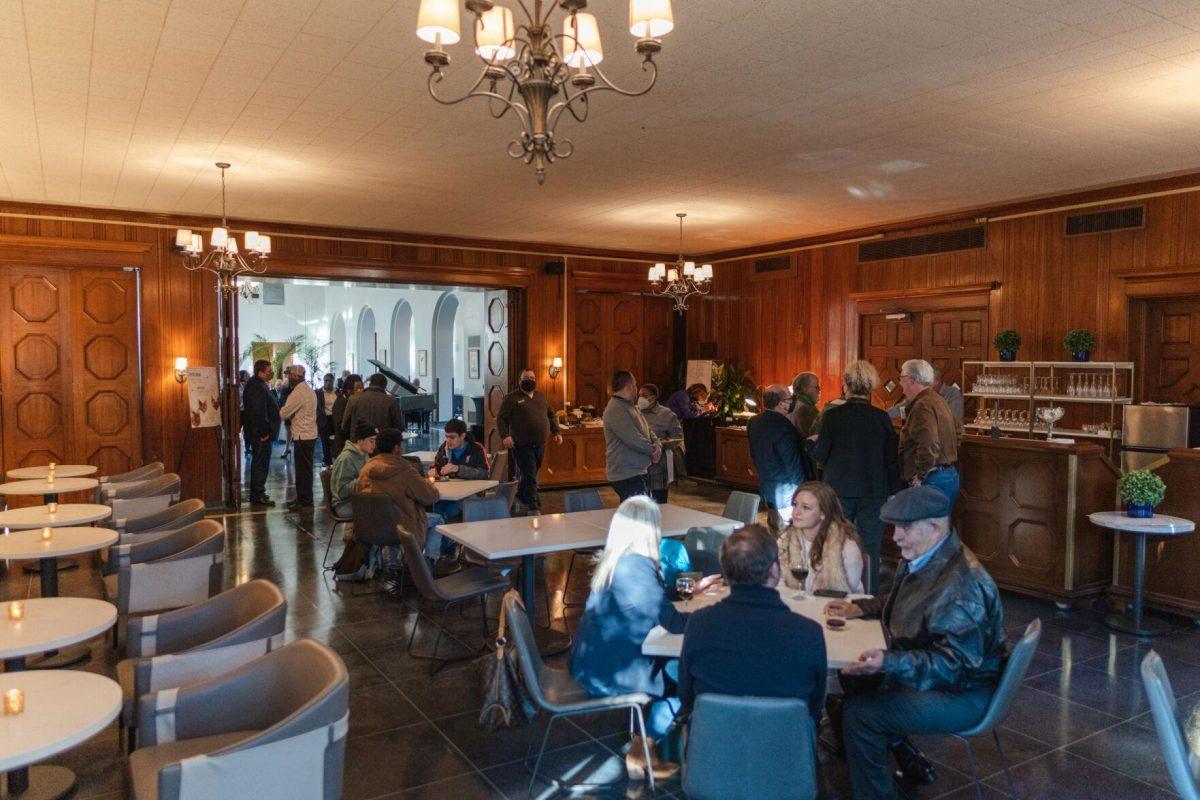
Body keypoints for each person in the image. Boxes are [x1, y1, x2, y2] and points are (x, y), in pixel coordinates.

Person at [827, 485, 1005, 799]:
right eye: (895, 527)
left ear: (935, 527)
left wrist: (889, 662)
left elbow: (954, 666)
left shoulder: (961, 586)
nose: (895, 537)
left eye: (905, 528)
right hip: (948, 680)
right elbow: (909, 602)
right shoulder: (926, 556)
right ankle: (906, 760)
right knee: (852, 678)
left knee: (859, 715)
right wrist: (863, 607)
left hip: (963, 694)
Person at [570, 497, 690, 782]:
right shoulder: (638, 568)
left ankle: (641, 743)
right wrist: (719, 615)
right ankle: (643, 751)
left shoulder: (617, 560)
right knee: (683, 685)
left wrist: (682, 590)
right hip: (610, 673)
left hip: (592, 661)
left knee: (668, 668)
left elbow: (649, 600)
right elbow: (673, 622)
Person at [679, 525, 827, 724]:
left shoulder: (699, 624)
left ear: (727, 573)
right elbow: (815, 707)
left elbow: (686, 696)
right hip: (786, 749)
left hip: (713, 747)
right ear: (775, 571)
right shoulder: (809, 633)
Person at [809, 360, 900, 593]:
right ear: (870, 387)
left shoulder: (833, 416)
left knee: (836, 542)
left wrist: (810, 445)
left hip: (839, 489)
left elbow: (821, 454)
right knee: (871, 546)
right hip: (873, 490)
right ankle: (869, 596)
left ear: (846, 384)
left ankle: (835, 591)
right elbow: (891, 460)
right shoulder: (881, 418)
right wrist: (894, 491)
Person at [356, 427, 446, 560]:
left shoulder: (366, 469)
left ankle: (393, 565)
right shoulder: (404, 471)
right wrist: (428, 484)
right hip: (401, 527)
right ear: (396, 448)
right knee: (437, 519)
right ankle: (428, 564)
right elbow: (430, 497)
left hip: (372, 526)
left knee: (394, 514)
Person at [778, 482, 865, 595]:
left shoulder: (846, 548)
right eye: (795, 504)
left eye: (806, 507)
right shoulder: (784, 540)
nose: (796, 512)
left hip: (836, 607)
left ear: (823, 513)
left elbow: (847, 593)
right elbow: (776, 581)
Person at [496, 368, 562, 514]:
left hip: (540, 443)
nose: (530, 380)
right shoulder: (512, 398)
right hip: (521, 444)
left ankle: (520, 495)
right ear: (520, 381)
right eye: (526, 378)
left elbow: (551, 415)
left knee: (531, 473)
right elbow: (501, 419)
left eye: (532, 378)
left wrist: (556, 431)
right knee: (530, 473)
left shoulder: (541, 397)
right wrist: (505, 435)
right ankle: (533, 506)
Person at [899, 359, 962, 507]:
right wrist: (945, 455)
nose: (900, 384)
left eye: (901, 378)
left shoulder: (922, 405)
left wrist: (921, 475)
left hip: (931, 479)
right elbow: (958, 431)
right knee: (937, 527)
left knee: (924, 528)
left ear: (911, 380)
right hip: (946, 475)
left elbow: (929, 443)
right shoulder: (937, 399)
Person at [747, 384, 807, 534]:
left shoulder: (754, 422)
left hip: (767, 486)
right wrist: (804, 490)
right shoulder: (784, 427)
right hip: (787, 490)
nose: (792, 401)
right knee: (789, 536)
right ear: (781, 404)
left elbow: (754, 454)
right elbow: (792, 463)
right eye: (790, 398)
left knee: (774, 530)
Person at [603, 371, 661, 501]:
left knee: (640, 515)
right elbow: (632, 438)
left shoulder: (631, 407)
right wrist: (653, 451)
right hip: (626, 474)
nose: (636, 388)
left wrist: (657, 444)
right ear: (628, 387)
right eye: (635, 385)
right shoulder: (615, 409)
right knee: (637, 516)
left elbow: (648, 430)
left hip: (638, 471)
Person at [430, 418, 490, 519]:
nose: (448, 441)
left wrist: (458, 469)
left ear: (462, 436)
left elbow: (484, 474)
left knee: (450, 511)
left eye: (452, 437)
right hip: (449, 493)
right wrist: (433, 470)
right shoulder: (443, 448)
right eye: (446, 437)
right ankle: (442, 531)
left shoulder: (476, 449)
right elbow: (436, 466)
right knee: (435, 508)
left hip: (470, 494)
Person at [241, 359, 279, 508]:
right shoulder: (256, 386)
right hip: (260, 434)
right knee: (260, 464)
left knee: (262, 463)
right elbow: (258, 412)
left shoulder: (259, 384)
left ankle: (259, 492)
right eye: (269, 371)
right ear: (260, 372)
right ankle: (257, 495)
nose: (271, 373)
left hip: (261, 433)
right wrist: (264, 432)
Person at [279, 365, 318, 511]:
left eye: (289, 375)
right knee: (305, 471)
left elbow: (284, 413)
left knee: (303, 472)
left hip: (303, 436)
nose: (288, 378)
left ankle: (305, 501)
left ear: (295, 376)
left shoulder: (298, 393)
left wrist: (285, 412)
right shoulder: (308, 390)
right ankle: (302, 498)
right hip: (309, 435)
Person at [637, 383, 683, 504]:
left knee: (658, 503)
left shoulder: (667, 414)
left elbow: (678, 438)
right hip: (638, 467)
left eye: (644, 395)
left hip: (658, 468)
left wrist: (659, 445)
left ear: (652, 398)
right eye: (639, 395)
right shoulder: (635, 413)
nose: (640, 398)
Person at [330, 422, 376, 518]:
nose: (374, 445)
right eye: (371, 441)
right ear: (360, 441)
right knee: (382, 509)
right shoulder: (346, 459)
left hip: (360, 498)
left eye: (375, 441)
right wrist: (365, 479)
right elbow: (340, 492)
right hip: (344, 504)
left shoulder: (364, 453)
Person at [341, 373, 401, 443]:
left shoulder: (353, 399)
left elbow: (344, 426)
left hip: (359, 445)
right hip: (383, 445)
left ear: (370, 383)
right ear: (385, 386)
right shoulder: (391, 401)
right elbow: (399, 427)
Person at [331, 374, 362, 459]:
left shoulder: (351, 401)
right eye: (358, 389)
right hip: (343, 448)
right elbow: (340, 427)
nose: (360, 391)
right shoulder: (341, 402)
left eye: (362, 388)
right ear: (349, 390)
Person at [789, 371, 821, 437]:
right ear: (805, 389)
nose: (819, 390)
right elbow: (816, 435)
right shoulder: (804, 409)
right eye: (816, 387)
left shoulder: (793, 402)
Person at [318, 373, 338, 467]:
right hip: (324, 419)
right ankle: (327, 462)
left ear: (333, 381)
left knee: (335, 441)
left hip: (335, 419)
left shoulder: (337, 392)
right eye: (326, 380)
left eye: (330, 380)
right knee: (325, 441)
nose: (327, 383)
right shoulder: (318, 393)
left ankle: (336, 461)